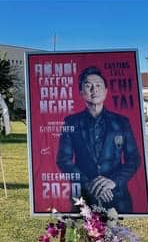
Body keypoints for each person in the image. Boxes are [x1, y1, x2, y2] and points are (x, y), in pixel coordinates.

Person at [56, 66, 140, 213]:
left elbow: (133, 158)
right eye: (88, 86)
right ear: (81, 92)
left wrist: (113, 182)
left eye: (98, 85)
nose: (94, 90)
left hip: (116, 196)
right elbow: (64, 160)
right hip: (83, 196)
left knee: (118, 235)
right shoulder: (71, 122)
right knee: (80, 235)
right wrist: (89, 184)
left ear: (106, 91)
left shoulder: (121, 122)